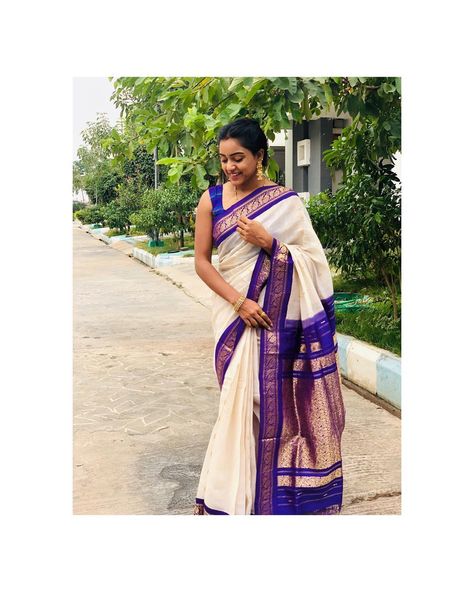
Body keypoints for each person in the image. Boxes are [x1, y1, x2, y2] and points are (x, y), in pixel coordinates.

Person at [192, 117, 346, 515]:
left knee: (273, 401)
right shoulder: (212, 200)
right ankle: (235, 496)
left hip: (279, 323)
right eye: (224, 159)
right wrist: (239, 303)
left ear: (259, 156)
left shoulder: (285, 203)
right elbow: (202, 263)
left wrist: (271, 243)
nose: (230, 168)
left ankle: (275, 497)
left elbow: (313, 260)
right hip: (234, 316)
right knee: (240, 402)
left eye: (239, 158)